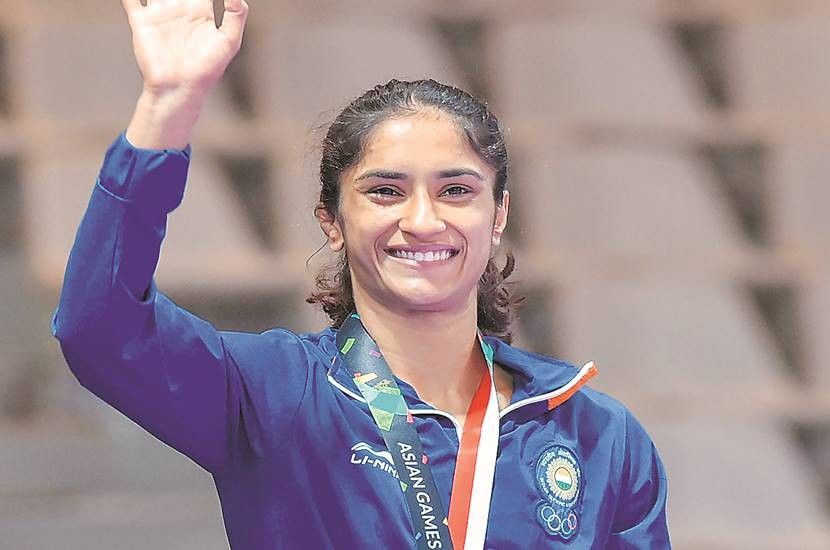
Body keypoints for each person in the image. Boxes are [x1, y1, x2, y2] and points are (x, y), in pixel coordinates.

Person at [52, 1, 671, 548]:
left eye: (456, 190)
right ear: (332, 222)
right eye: (385, 191)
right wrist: (168, 105)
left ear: (498, 215)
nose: (423, 221)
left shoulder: (596, 435)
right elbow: (99, 328)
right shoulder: (274, 394)